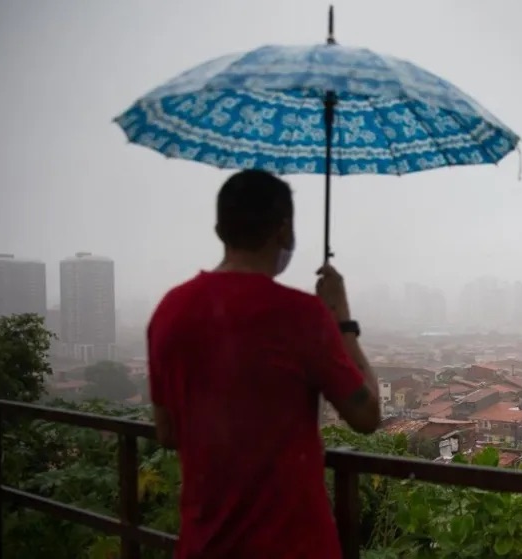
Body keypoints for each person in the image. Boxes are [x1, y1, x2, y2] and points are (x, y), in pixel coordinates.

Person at [147, 169, 380, 559]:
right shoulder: (301, 315)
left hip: (205, 544)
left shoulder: (170, 311)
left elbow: (167, 432)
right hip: (294, 546)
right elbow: (367, 415)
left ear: (220, 230)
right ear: (284, 231)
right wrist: (342, 321)